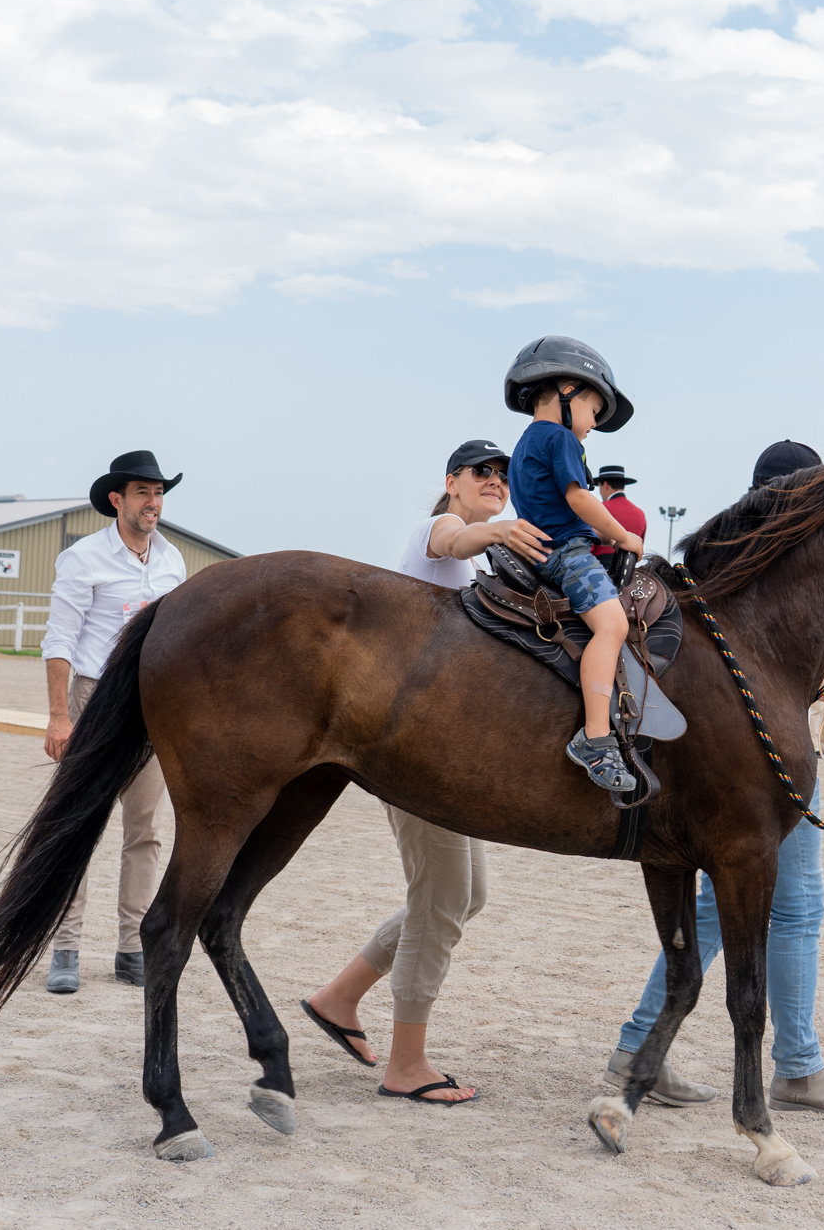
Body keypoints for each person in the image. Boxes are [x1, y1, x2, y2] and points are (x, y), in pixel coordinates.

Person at [602, 438, 824, 1118]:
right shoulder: (757, 561)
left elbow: (768, 663)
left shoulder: (759, 557)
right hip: (757, 761)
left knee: (734, 903)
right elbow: (741, 658)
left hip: (767, 746)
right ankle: (795, 1066)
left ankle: (644, 1042)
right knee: (788, 902)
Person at [301, 439, 551, 1105]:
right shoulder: (437, 531)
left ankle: (338, 996)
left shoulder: (479, 568)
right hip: (411, 750)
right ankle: (406, 1063)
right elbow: (451, 540)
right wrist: (493, 532)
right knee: (441, 900)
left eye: (503, 476)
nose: (494, 481)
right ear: (452, 482)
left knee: (466, 895)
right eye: (481, 473)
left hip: (446, 752)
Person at [40, 451, 189, 994]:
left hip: (150, 705)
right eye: (143, 493)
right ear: (116, 500)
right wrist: (60, 716)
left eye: (159, 493)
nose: (154, 503)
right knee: (77, 823)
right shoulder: (84, 559)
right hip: (94, 698)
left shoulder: (173, 561)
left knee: (145, 830)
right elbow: (59, 639)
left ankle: (132, 948)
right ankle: (66, 947)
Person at [501, 336, 644, 794]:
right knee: (612, 626)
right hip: (567, 556)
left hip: (550, 547)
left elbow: (555, 507)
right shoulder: (560, 437)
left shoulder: (527, 441)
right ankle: (597, 738)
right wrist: (622, 535)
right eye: (594, 411)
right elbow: (578, 497)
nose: (594, 425)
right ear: (567, 390)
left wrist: (601, 531)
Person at [589, 464, 647, 565]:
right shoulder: (640, 513)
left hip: (599, 566)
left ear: (605, 485)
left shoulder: (599, 509)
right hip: (629, 569)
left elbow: (589, 544)